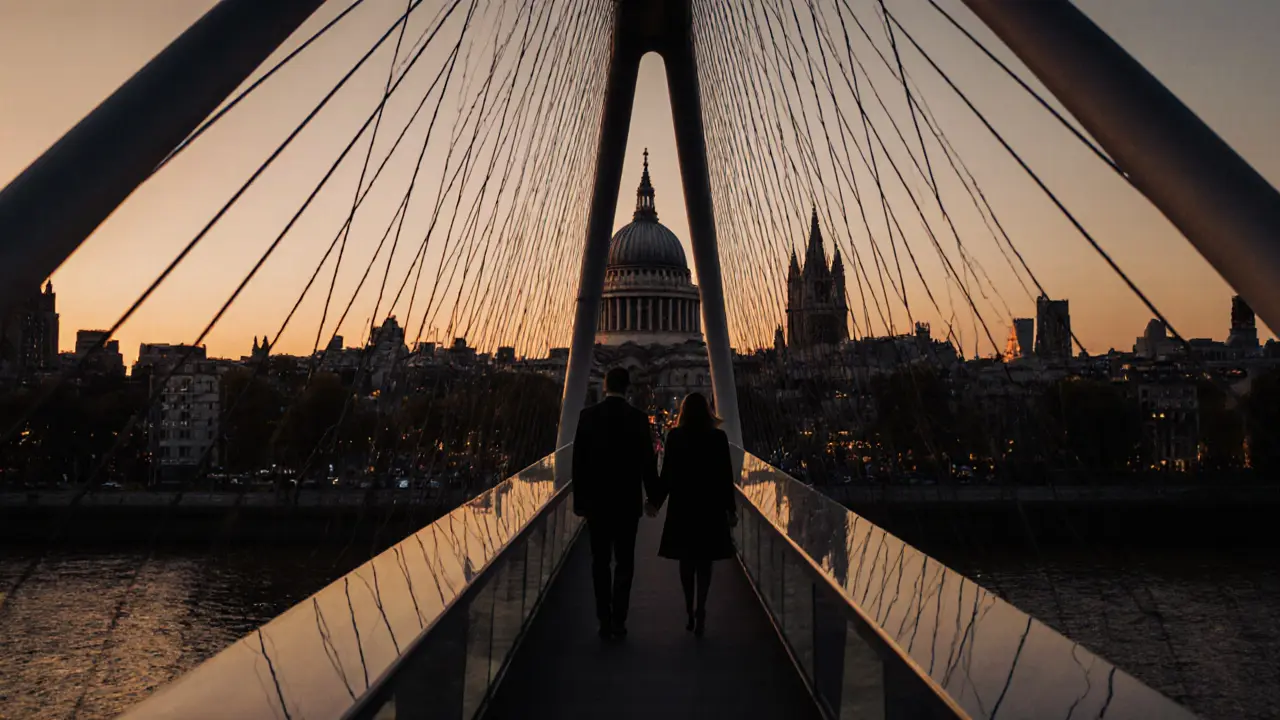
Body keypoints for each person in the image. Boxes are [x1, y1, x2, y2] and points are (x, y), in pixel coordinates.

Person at [572, 367, 658, 639]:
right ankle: (619, 619)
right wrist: (653, 499)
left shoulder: (587, 417)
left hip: (596, 504)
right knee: (624, 562)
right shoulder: (638, 419)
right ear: (628, 388)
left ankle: (604, 618)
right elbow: (648, 463)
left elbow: (578, 464)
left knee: (599, 562)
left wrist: (579, 501)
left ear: (605, 386)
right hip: (626, 504)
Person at [646, 392, 736, 637]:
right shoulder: (718, 438)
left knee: (686, 561)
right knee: (705, 562)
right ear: (708, 411)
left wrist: (654, 502)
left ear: (683, 412)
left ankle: (688, 608)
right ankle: (702, 606)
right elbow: (725, 477)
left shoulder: (675, 437)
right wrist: (731, 510)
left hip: (683, 507)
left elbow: (668, 475)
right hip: (710, 507)